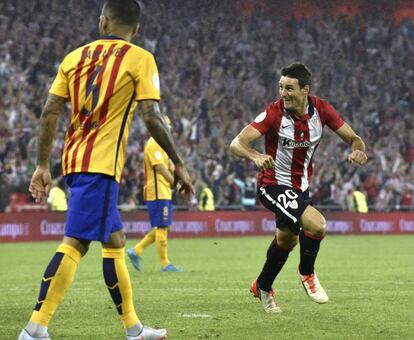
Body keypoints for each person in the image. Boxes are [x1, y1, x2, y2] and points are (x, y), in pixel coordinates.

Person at [19, 1, 193, 339]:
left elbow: (50, 110)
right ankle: (35, 328)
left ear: (103, 23)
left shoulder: (73, 58)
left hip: (75, 161)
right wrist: (181, 163)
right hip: (100, 166)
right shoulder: (140, 59)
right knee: (76, 243)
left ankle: (134, 329)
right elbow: (151, 116)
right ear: (136, 29)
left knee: (115, 240)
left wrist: (43, 164)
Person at [230, 63, 367, 313]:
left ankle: (262, 286)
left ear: (306, 90)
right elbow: (236, 143)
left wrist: (358, 149)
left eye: (289, 88)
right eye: (281, 87)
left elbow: (353, 137)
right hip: (272, 185)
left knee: (286, 241)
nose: (283, 93)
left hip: (299, 188)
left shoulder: (322, 110)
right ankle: (307, 273)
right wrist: (255, 156)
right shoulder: (274, 113)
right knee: (317, 224)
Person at [127, 116, 181, 272]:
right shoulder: (153, 144)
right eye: (167, 126)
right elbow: (160, 168)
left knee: (164, 227)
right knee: (162, 227)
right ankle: (165, 264)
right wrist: (174, 183)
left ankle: (136, 250)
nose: (169, 129)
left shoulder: (163, 145)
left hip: (164, 191)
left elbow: (170, 165)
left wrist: (182, 179)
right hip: (157, 192)